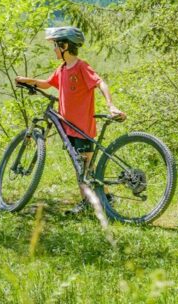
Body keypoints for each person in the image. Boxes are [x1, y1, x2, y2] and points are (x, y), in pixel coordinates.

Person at [15, 26, 125, 214]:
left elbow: (100, 82)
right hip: (69, 128)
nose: (54, 49)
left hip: (81, 127)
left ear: (65, 46)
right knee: (84, 169)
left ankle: (87, 203)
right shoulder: (62, 69)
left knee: (83, 169)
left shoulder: (81, 66)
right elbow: (47, 84)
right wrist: (28, 80)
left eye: (56, 45)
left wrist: (110, 105)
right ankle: (106, 197)